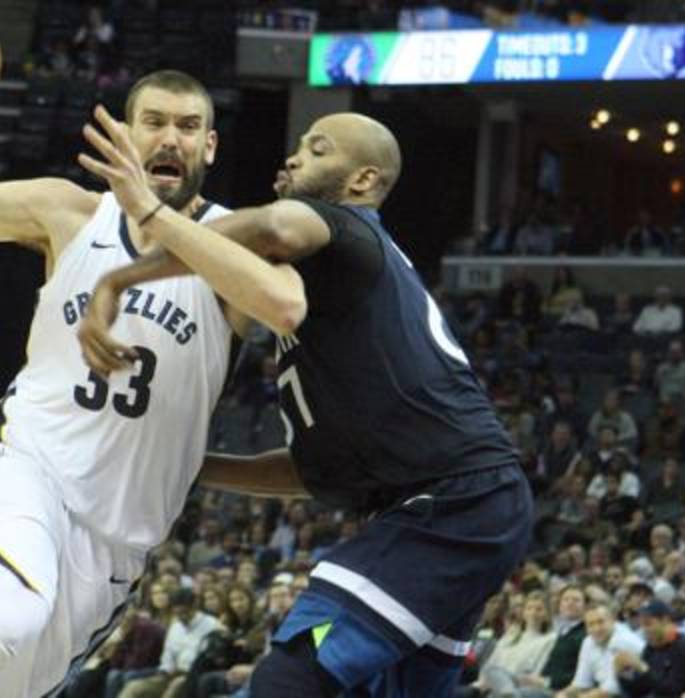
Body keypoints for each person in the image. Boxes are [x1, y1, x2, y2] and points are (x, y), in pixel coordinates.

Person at [0, 7, 249, 697]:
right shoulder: (68, 213)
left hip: (121, 538)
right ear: (126, 135)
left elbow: (292, 303)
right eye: (153, 121)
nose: (170, 138)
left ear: (210, 147)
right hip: (34, 466)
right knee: (13, 612)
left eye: (188, 127)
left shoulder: (236, 247)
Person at [75, 109, 532, 696]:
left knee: (292, 672)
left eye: (316, 150)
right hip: (451, 504)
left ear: (362, 181)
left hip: (454, 501)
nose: (293, 158)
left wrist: (136, 249)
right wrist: (194, 467)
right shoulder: (340, 294)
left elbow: (276, 229)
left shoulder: (347, 228)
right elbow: (314, 470)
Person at [614, 599, 685, 695]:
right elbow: (639, 690)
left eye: (648, 624)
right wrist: (623, 673)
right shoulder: (651, 648)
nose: (644, 630)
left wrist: (642, 668)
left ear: (665, 620)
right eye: (642, 625)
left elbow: (673, 691)